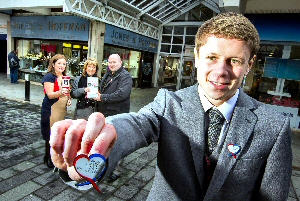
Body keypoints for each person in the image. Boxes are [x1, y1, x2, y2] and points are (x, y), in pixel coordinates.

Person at [50, 12, 292, 200]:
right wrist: (102, 139)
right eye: (212, 57)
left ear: (250, 65)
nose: (221, 71)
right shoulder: (169, 103)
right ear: (196, 57)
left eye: (235, 61)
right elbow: (136, 124)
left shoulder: (274, 126)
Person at [95, 53, 133, 182]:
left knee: (118, 142)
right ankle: (106, 165)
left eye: (114, 62)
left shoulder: (125, 76)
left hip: (118, 114)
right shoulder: (109, 73)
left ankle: (117, 170)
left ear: (120, 62)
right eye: (109, 62)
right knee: (106, 141)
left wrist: (102, 97)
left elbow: (122, 94)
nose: (111, 64)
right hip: (106, 112)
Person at [41, 54, 71, 168]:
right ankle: (48, 157)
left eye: (64, 64)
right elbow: (49, 95)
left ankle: (56, 157)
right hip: (51, 110)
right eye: (59, 63)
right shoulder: (49, 77)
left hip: (61, 110)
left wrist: (69, 99)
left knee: (58, 134)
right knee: (50, 134)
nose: (62, 66)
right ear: (53, 64)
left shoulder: (65, 77)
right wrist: (61, 93)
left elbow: (67, 93)